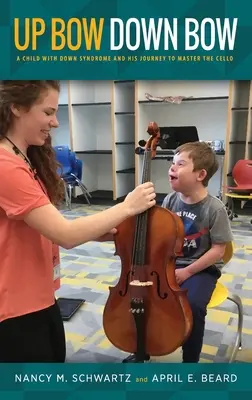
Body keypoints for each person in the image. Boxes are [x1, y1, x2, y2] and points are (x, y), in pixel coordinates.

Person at [0, 80, 156, 363]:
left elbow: (40, 223)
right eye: (48, 112)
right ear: (17, 108)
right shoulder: (5, 165)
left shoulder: (22, 157)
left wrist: (95, 232)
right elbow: (66, 234)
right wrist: (128, 206)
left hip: (39, 294)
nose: (55, 122)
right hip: (14, 306)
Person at [123, 141, 233, 363]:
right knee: (142, 297)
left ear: (200, 174)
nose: (172, 168)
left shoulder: (215, 208)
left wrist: (188, 272)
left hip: (200, 268)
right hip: (169, 265)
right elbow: (162, 235)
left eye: (180, 164)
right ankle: (142, 349)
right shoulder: (171, 200)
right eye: (172, 163)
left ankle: (189, 362)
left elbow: (218, 250)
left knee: (192, 306)